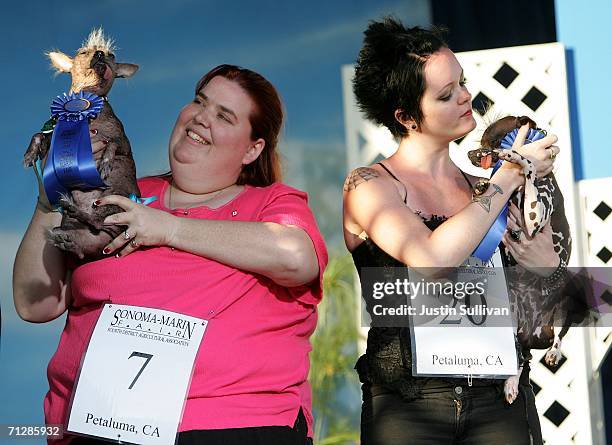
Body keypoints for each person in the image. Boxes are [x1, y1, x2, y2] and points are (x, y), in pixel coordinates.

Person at [13, 64, 327, 445]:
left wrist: (168, 229)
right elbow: (35, 304)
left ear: (252, 148)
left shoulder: (272, 202)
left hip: (231, 427)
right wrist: (48, 203)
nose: (201, 118)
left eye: (224, 116)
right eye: (200, 101)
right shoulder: (120, 193)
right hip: (93, 427)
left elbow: (295, 256)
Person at [343, 18, 562, 445]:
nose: (466, 98)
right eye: (446, 95)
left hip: (500, 398)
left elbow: (546, 298)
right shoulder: (369, 184)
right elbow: (430, 258)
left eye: (462, 83)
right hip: (409, 406)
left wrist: (543, 261)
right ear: (405, 116)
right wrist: (509, 177)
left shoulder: (488, 186)